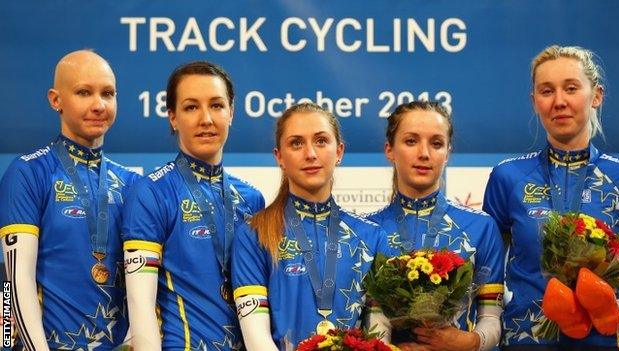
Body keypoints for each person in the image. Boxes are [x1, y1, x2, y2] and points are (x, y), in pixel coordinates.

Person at [483, 45, 619, 350]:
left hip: (606, 340)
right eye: (546, 91)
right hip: (526, 339)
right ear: (535, 102)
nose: (559, 101)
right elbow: (487, 278)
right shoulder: (507, 177)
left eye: (571, 88)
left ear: (596, 96)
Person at [0, 50, 140, 349]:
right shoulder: (28, 172)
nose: (98, 104)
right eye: (83, 92)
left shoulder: (132, 183)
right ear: (56, 100)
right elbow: (15, 283)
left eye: (108, 93)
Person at [122, 61, 264, 350]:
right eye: (191, 107)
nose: (206, 119)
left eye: (216, 105)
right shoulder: (151, 192)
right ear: (172, 117)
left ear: (231, 113)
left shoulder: (252, 198)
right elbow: (140, 307)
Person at [231, 102, 393, 350]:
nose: (310, 154)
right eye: (296, 143)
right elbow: (257, 340)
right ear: (279, 157)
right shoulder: (254, 234)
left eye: (321, 141)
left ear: (339, 151)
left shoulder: (371, 237)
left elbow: (378, 338)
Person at [365, 101, 504, 351]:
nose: (424, 153)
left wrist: (469, 342)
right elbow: (370, 321)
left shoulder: (481, 227)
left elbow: (491, 318)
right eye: (411, 141)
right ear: (389, 150)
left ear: (448, 152)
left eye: (436, 143)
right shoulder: (368, 230)